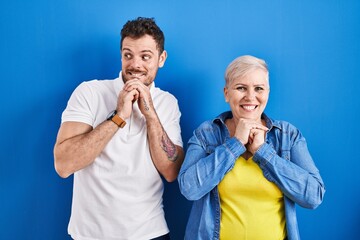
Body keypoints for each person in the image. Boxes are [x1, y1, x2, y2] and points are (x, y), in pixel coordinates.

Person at [54, 17, 184, 240]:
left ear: (161, 58)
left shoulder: (167, 103)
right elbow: (64, 165)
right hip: (90, 235)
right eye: (128, 55)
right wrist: (118, 117)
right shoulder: (90, 92)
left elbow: (171, 172)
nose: (135, 65)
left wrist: (150, 114)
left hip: (150, 233)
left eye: (145, 56)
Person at [178, 55, 325, 240]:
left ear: (267, 93)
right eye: (241, 88)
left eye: (258, 88)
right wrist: (235, 144)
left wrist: (263, 152)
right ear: (226, 93)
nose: (250, 97)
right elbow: (189, 188)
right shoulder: (207, 133)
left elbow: (313, 196)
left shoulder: (287, 135)